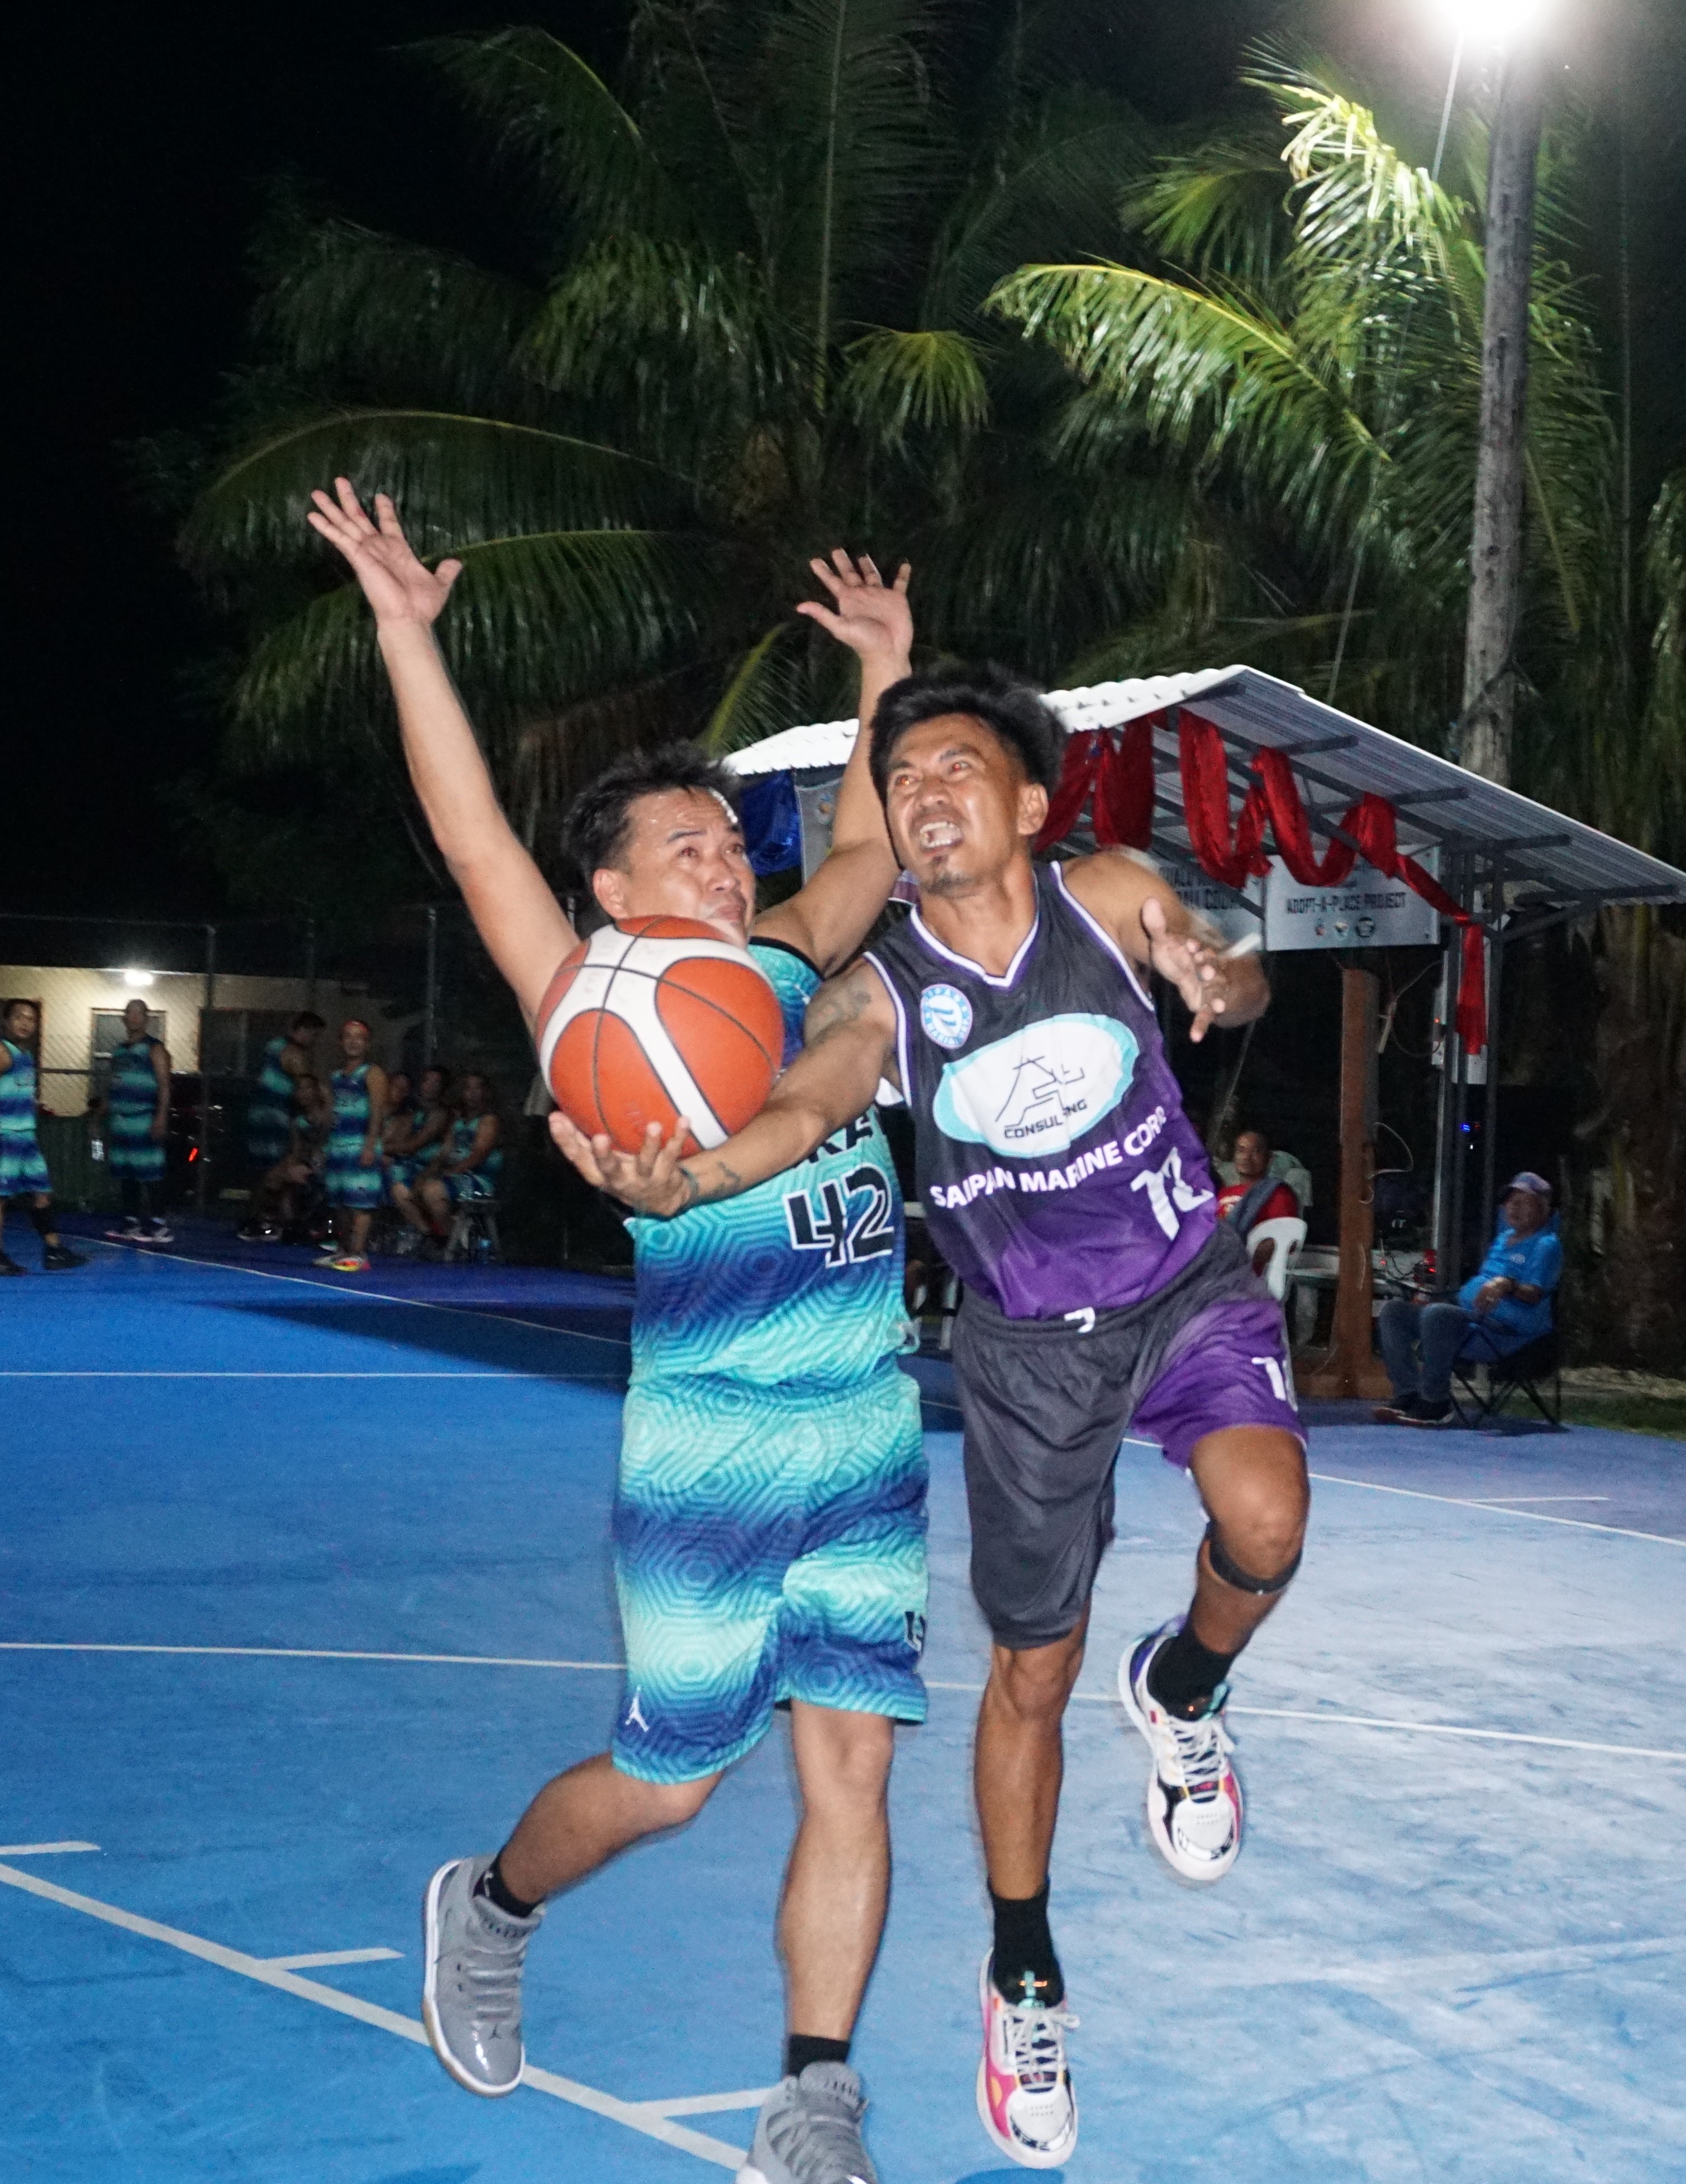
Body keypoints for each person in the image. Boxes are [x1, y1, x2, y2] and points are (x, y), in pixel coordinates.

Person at [568, 666, 1309, 2170]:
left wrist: (1226, 975)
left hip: (1180, 1281)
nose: (923, 795)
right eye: (900, 777)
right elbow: (804, 1103)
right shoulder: (881, 986)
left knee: (1266, 1513)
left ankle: (1183, 1686)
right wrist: (693, 1175)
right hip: (1028, 1354)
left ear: (1029, 804)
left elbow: (1220, 956)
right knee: (1027, 1676)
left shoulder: (1101, 892)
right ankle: (1022, 1965)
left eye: (955, 767)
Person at [309, 476, 924, 2184]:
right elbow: (469, 839)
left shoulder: (795, 954)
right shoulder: (581, 987)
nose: (727, 858)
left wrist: (883, 668)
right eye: (687, 844)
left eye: (730, 838)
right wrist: (404, 636)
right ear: (610, 885)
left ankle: (813, 2100)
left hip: (863, 1419)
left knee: (854, 1775)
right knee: (672, 1786)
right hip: (715, 1430)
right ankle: (491, 1904)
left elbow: (864, 846)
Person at [1376, 1171, 1561, 1426]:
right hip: (1469, 1320)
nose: (1514, 1207)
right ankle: (1408, 1395)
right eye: (1510, 1200)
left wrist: (1507, 1284)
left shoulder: (1546, 1245)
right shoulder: (1504, 1238)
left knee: (1437, 1314)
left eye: (1524, 1201)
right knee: (1394, 1312)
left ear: (1542, 1208)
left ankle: (1435, 1403)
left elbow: (1535, 1294)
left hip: (1505, 1333)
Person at [0, 1000, 88, 1275]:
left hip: (26, 1136)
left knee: (42, 1194)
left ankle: (54, 1250)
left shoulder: (25, 1055)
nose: (26, 1023)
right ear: (6, 1021)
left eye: (31, 1019)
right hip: (5, 1134)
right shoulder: (4, 1052)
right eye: (19, 1017)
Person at [241, 1011, 325, 1239]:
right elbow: (307, 1084)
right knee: (276, 1169)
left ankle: (269, 1220)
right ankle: (268, 1220)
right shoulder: (292, 1052)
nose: (314, 1040)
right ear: (302, 1031)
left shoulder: (274, 1046)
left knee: (268, 1170)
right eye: (312, 1034)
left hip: (264, 1112)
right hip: (273, 1115)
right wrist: (324, 1104)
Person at [317, 1017, 388, 1272]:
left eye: (359, 1038)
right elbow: (331, 1113)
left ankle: (359, 1253)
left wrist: (370, 1145)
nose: (353, 1042)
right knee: (340, 1202)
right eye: (348, 1036)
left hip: (360, 1143)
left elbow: (378, 1111)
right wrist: (324, 1145)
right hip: (338, 1144)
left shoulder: (372, 1073)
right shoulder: (336, 1077)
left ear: (367, 1044)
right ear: (340, 1042)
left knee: (361, 1201)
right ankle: (343, 1249)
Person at [102, 998, 173, 1246]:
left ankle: (158, 1225)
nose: (133, 1017)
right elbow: (113, 1085)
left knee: (150, 1172)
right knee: (127, 1173)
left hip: (144, 1118)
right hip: (121, 1121)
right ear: (124, 1018)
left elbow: (165, 1086)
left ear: (146, 1018)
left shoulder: (155, 1049)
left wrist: (161, 1117)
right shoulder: (120, 1051)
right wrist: (101, 1114)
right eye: (129, 1013)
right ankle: (131, 1222)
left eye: (138, 1013)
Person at [408, 1071, 502, 1255]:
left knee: (433, 1191)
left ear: (486, 1092)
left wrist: (450, 1173)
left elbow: (479, 1155)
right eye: (469, 1088)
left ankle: (453, 1241)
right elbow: (444, 1152)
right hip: (456, 1175)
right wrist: (428, 1174)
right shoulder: (458, 1122)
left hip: (479, 1178)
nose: (473, 1093)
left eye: (478, 1088)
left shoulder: (488, 1121)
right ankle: (449, 1235)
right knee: (416, 1188)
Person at [1215, 1127, 1302, 1280]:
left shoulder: (1278, 1194)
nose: (1247, 1157)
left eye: (1255, 1152)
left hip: (1248, 1275)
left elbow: (1283, 1239)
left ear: (1269, 1159)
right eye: (1241, 1151)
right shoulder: (1223, 1193)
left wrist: (1241, 1258)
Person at [385, 1064, 451, 1250]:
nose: (430, 1086)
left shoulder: (441, 1114)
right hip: (410, 1165)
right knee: (398, 1188)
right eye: (427, 1082)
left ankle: (445, 1239)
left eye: (436, 1083)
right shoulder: (414, 1113)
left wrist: (376, 1149)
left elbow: (414, 1145)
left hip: (430, 1168)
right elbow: (399, 1139)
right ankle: (427, 1234)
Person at [259, 1074, 330, 1242]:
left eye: (308, 1088)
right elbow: (296, 1151)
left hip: (329, 1163)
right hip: (307, 1163)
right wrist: (284, 1168)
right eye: (299, 1089)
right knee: (278, 1177)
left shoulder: (327, 1114)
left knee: (297, 1176)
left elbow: (325, 1142)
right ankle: (280, 1224)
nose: (303, 1093)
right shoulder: (298, 1121)